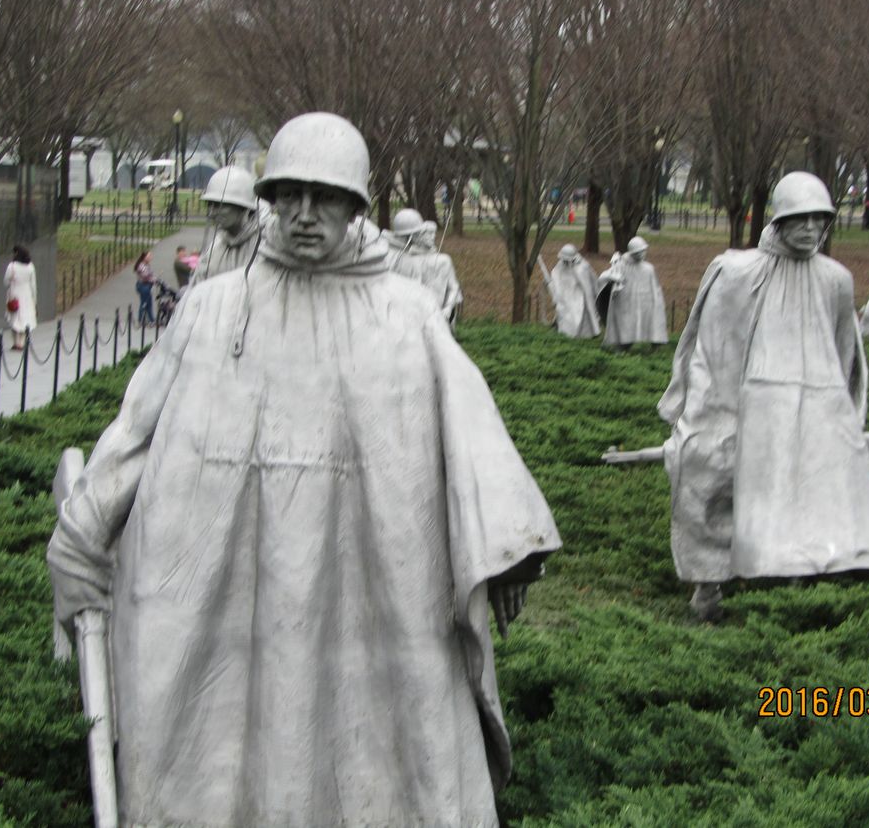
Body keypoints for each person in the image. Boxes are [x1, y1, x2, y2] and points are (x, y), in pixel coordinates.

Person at [47, 112, 560, 827]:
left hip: (376, 582)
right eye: (290, 196)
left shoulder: (407, 313)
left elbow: (473, 441)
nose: (305, 214)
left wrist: (507, 552)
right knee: (222, 730)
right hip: (227, 579)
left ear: (355, 207)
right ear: (271, 201)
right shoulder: (214, 309)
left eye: (326, 198)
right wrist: (84, 529)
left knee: (377, 737)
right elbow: (137, 429)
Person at [659, 172, 869, 620]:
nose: (812, 228)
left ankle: (797, 578)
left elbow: (844, 355)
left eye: (820, 220)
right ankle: (708, 584)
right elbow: (715, 351)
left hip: (812, 405)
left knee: (808, 488)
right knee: (712, 477)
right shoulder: (737, 273)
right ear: (779, 220)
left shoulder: (835, 279)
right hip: (740, 403)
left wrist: (838, 418)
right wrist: (707, 416)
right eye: (801, 219)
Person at [387, 211, 464, 325]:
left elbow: (454, 287)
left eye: (433, 233)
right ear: (414, 236)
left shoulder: (443, 260)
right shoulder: (401, 259)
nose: (432, 237)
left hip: (439, 317)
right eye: (427, 234)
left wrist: (447, 309)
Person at [194, 165, 263, 283]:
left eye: (219, 205)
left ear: (243, 207)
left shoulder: (264, 245)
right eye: (210, 205)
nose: (211, 213)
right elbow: (198, 283)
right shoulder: (217, 245)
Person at [598, 236, 667, 348]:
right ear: (633, 253)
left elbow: (655, 288)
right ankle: (624, 344)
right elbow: (603, 278)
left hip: (644, 302)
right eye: (640, 252)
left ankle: (655, 342)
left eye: (644, 251)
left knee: (650, 321)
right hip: (625, 302)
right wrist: (613, 277)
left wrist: (657, 301)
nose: (643, 254)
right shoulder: (621, 264)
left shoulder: (649, 269)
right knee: (626, 324)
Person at [545, 244, 600, 338]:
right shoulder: (561, 264)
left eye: (566, 260)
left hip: (579, 295)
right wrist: (554, 288)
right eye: (563, 259)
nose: (564, 262)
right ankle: (565, 331)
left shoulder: (583, 267)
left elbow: (589, 286)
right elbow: (557, 274)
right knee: (564, 312)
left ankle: (582, 333)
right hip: (567, 294)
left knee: (577, 315)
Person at [3, 245, 38, 350]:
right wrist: (34, 299)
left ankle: (15, 342)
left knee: (14, 317)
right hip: (27, 294)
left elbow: (6, 282)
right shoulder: (30, 266)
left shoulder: (12, 266)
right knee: (24, 318)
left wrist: (11, 281)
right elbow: (33, 284)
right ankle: (21, 343)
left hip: (14, 293)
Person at [133, 251, 155, 325]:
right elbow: (145, 276)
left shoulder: (146, 265)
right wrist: (153, 279)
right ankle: (141, 319)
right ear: (144, 257)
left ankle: (151, 319)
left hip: (146, 285)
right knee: (144, 303)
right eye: (149, 256)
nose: (150, 257)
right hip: (143, 285)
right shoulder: (141, 265)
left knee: (148, 302)